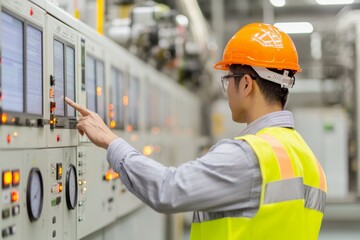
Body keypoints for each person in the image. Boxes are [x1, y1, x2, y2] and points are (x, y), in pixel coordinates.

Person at [65, 23, 327, 240]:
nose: (227, 92)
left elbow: (168, 190)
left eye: (229, 81)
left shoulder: (250, 156)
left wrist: (112, 142)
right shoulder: (310, 162)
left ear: (246, 84)